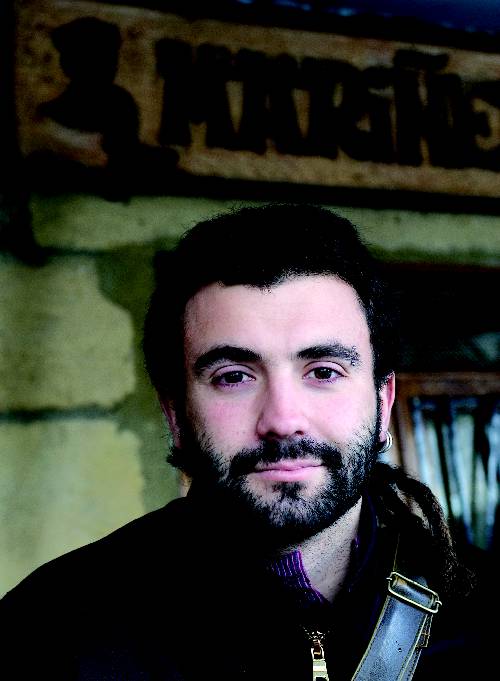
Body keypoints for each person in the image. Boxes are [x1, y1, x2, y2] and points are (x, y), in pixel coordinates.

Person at [0, 203, 494, 680]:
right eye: (234, 376)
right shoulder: (46, 635)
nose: (282, 420)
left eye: (323, 371)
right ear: (175, 415)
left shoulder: (480, 611)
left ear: (383, 403)